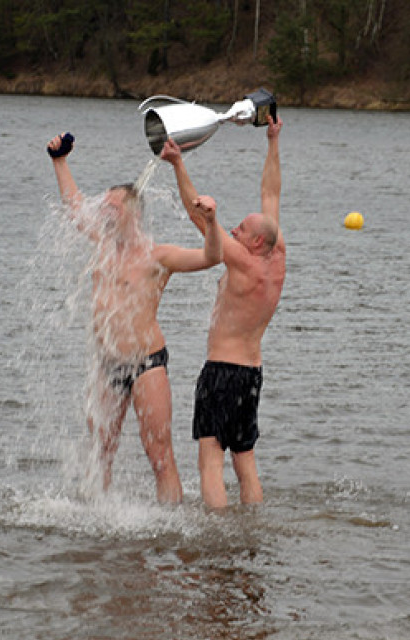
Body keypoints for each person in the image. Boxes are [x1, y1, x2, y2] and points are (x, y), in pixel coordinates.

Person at [46, 132, 224, 504]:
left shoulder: (158, 256)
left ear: (134, 213)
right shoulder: (102, 243)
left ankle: (172, 522)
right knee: (101, 450)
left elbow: (211, 258)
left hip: (147, 363)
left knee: (158, 453)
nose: (104, 213)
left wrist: (211, 222)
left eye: (113, 208)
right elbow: (74, 205)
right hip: (107, 362)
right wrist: (59, 161)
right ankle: (96, 516)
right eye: (104, 207)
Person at [159, 115, 286, 508]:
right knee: (245, 460)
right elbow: (271, 192)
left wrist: (178, 165)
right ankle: (251, 529)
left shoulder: (243, 263)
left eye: (240, 230)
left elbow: (197, 214)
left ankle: (217, 534)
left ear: (256, 242)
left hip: (221, 373)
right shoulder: (277, 254)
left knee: (210, 462)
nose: (233, 231)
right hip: (252, 374)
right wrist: (272, 142)